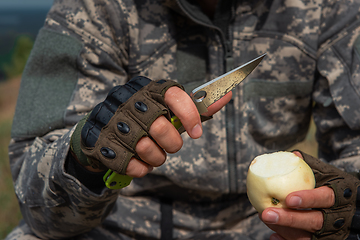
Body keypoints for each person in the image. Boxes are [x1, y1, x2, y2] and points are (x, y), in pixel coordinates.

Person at [5, 0, 360, 239]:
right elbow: (36, 204)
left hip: (269, 230)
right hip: (119, 228)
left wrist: (348, 203)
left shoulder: (329, 9)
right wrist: (86, 158)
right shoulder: (91, 9)